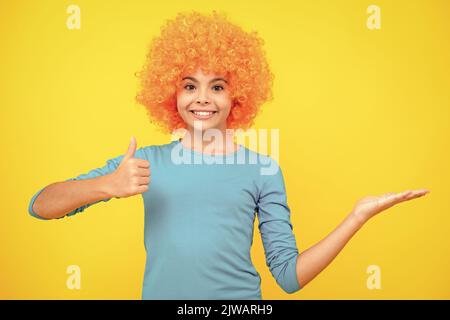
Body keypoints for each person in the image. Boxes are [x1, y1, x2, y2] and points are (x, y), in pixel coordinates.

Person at [28, 11, 430, 300]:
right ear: (172, 94)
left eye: (216, 86)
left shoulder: (264, 169)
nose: (202, 97)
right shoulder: (143, 163)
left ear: (236, 95)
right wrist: (107, 185)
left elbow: (289, 278)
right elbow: (40, 206)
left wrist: (357, 215)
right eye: (190, 85)